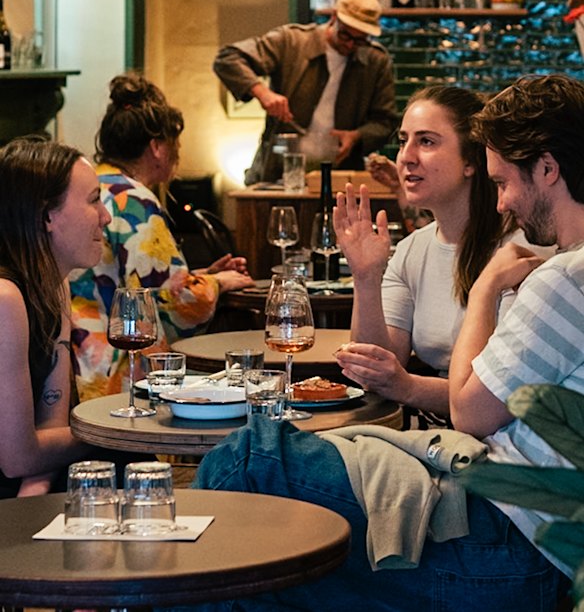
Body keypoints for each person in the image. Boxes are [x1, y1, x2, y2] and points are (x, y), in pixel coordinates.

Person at [191, 74, 584, 611]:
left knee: (246, 461)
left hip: (508, 539)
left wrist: (489, 283)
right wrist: (369, 276)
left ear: (547, 168)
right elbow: (380, 367)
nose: (503, 203)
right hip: (509, 521)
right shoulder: (552, 271)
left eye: (504, 183)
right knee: (260, 579)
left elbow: (469, 411)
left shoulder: (558, 277)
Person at [334, 85, 523, 424]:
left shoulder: (519, 252)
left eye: (426, 141)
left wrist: (407, 387)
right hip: (429, 428)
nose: (406, 156)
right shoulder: (410, 250)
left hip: (498, 440)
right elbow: (376, 367)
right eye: (403, 140)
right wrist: (365, 277)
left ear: (471, 160)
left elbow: (502, 397)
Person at [69, 74, 252, 402]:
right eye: (175, 145)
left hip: (75, 356)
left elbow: (132, 280)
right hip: (115, 369)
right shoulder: (134, 201)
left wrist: (203, 275)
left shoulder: (93, 187)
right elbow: (175, 301)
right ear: (157, 147)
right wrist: (220, 284)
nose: (177, 155)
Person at [0, 138, 107, 497]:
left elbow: (50, 425)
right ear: (46, 216)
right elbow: (18, 457)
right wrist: (109, 429)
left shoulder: (54, 284)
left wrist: (36, 495)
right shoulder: (5, 299)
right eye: (94, 200)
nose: (106, 217)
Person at [213, 0, 399, 184]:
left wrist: (357, 136)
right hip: (278, 173)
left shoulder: (376, 61)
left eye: (360, 40)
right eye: (345, 35)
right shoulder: (292, 41)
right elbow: (228, 59)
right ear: (334, 17)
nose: (351, 45)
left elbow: (385, 122)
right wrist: (263, 93)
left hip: (339, 178)